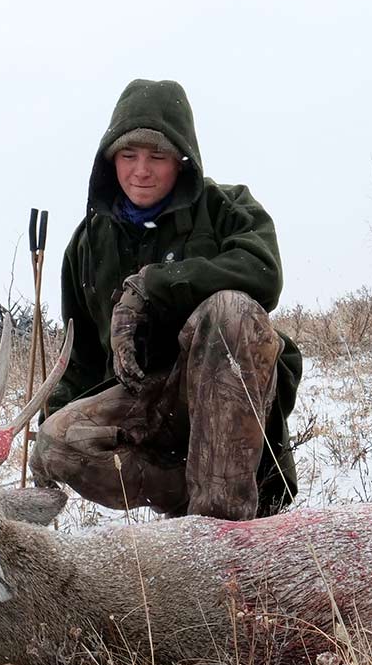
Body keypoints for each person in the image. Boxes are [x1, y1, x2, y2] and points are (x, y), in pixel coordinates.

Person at [32, 79, 302, 521]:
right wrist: (47, 430)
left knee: (231, 310)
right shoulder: (85, 244)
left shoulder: (227, 207)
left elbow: (264, 272)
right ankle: (194, 502)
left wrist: (153, 286)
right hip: (142, 404)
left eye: (157, 156)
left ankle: (226, 533)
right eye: (128, 156)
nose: (141, 170)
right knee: (55, 440)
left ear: (182, 160)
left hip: (225, 392)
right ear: (109, 161)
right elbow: (80, 359)